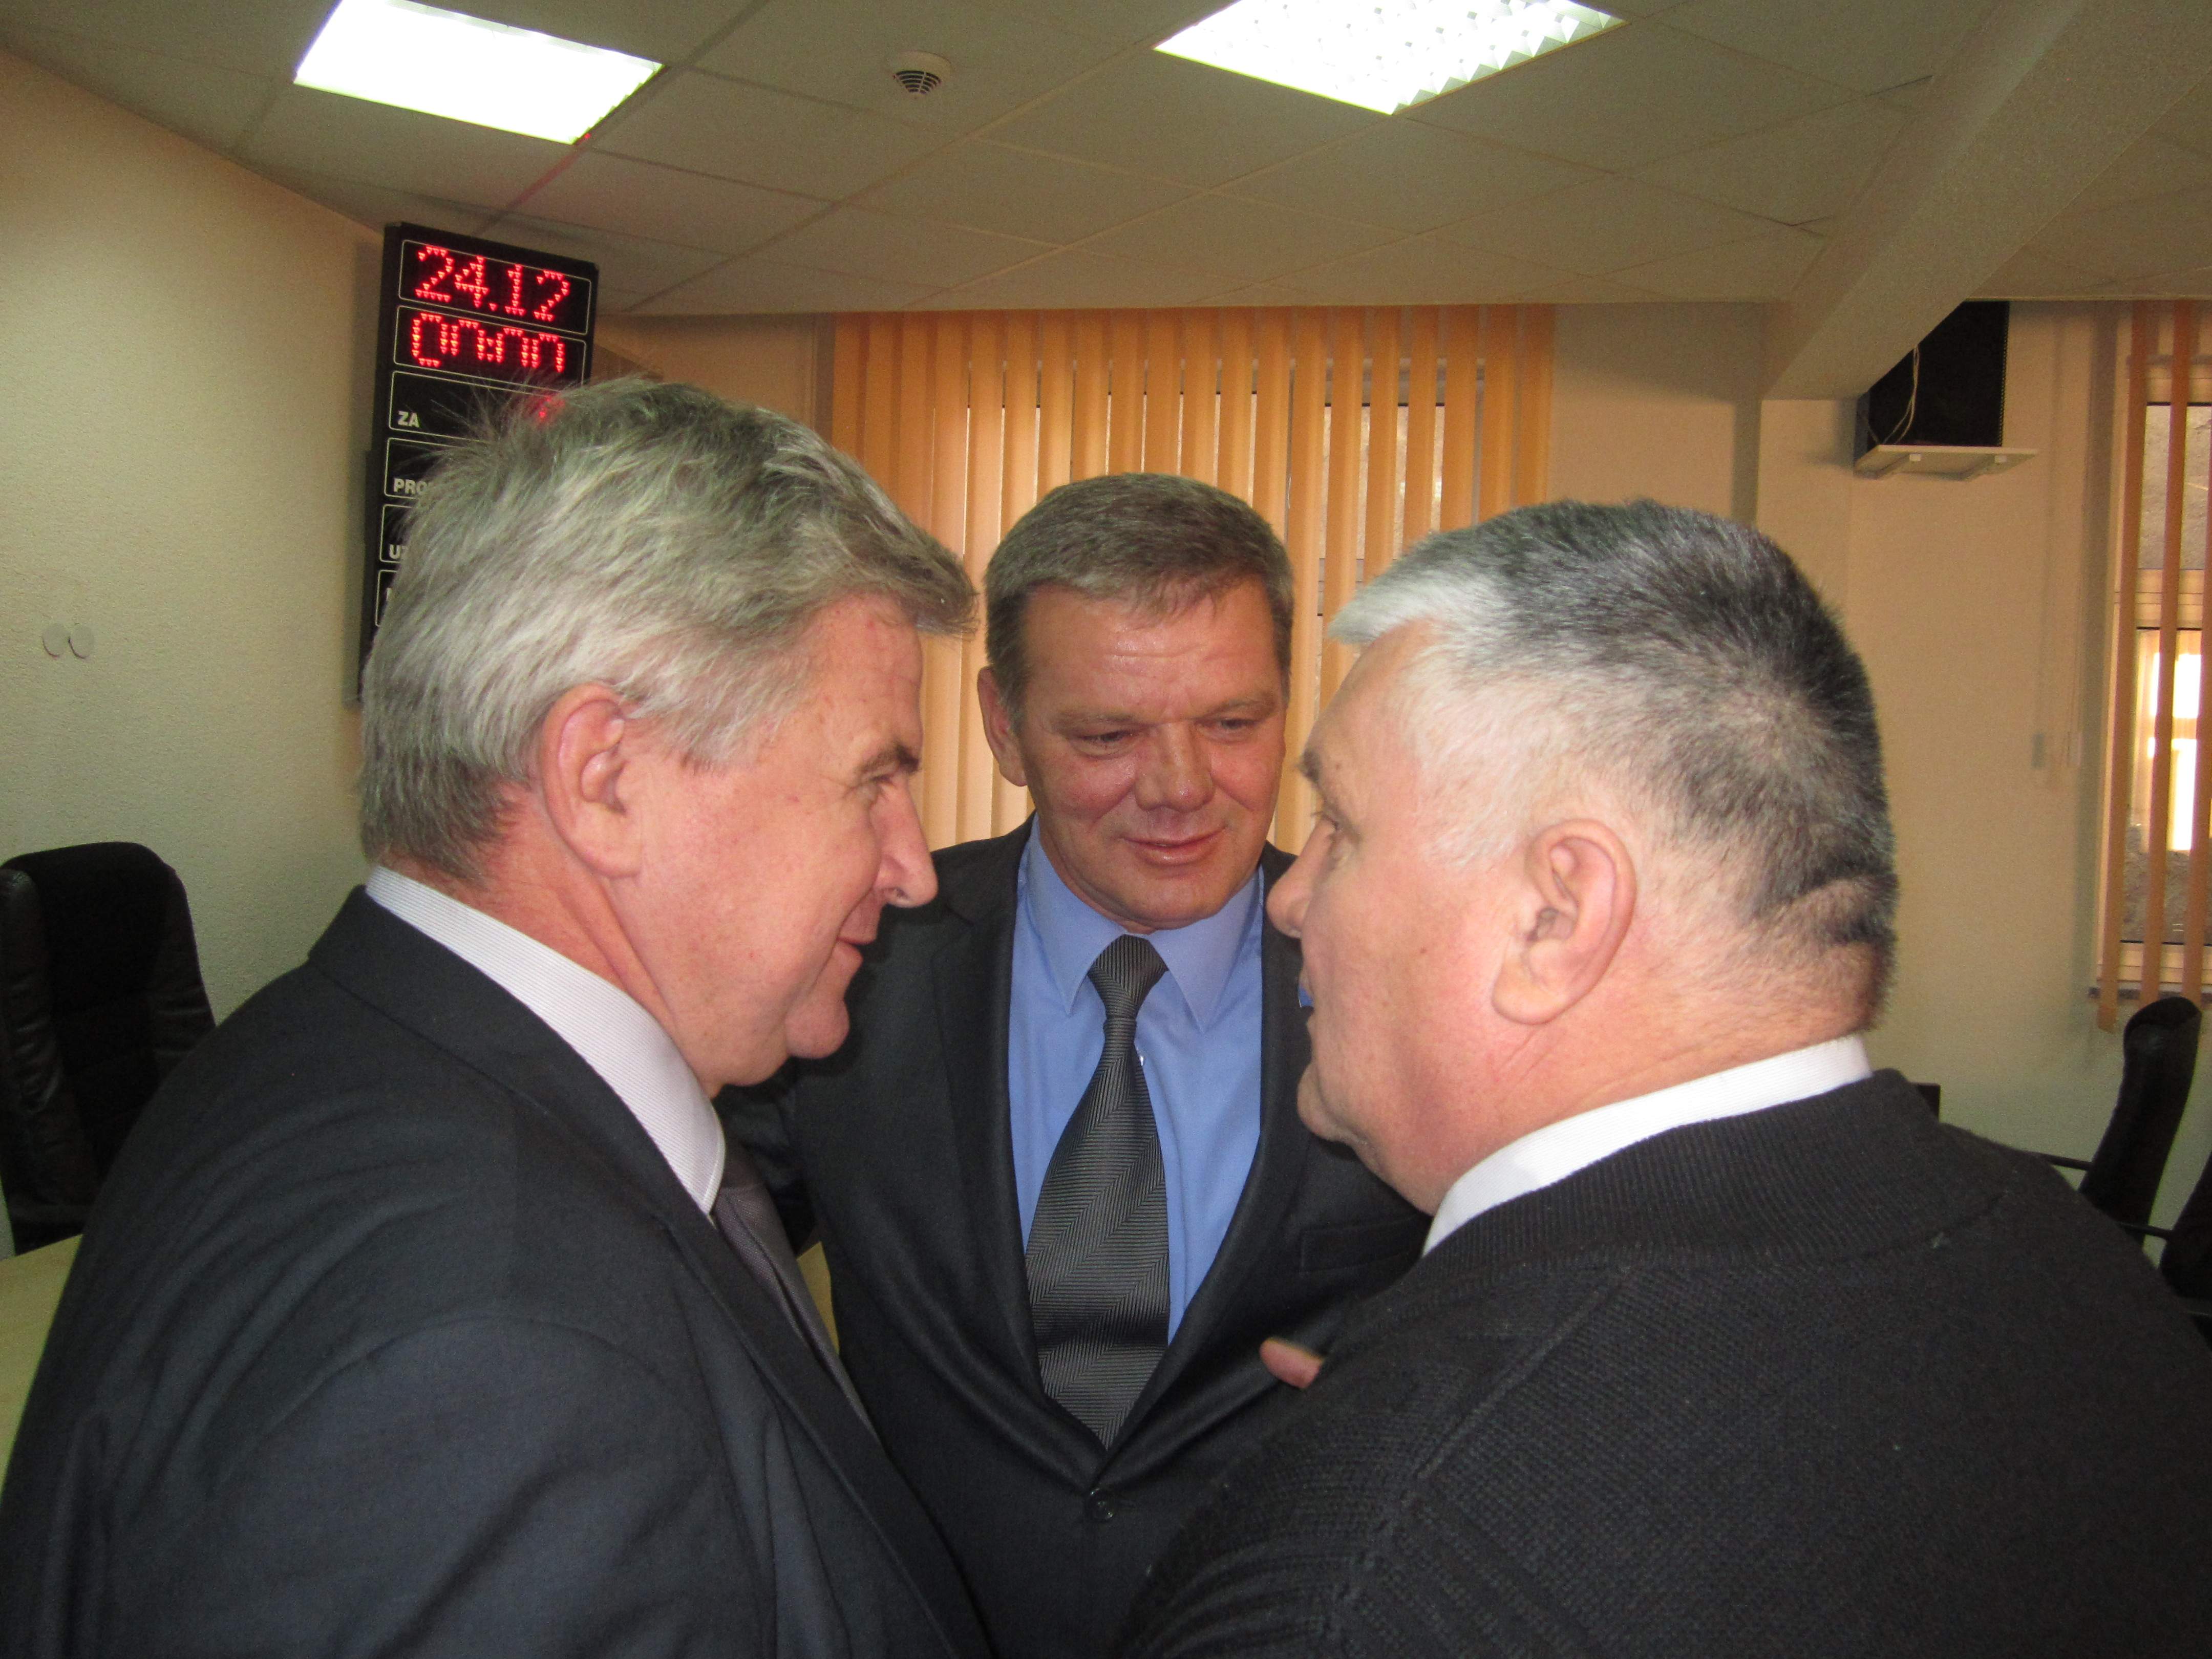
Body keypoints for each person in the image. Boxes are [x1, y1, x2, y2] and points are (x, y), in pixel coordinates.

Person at [0, 381, 990, 1658]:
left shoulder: (329, 1046)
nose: (913, 869)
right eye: (874, 780)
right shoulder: (493, 1357)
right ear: (605, 778)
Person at [1124, 500, 2212, 1657]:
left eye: (1342, 825)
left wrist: (1398, 1486)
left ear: (1556, 917)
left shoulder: (1347, 1592)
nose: (1293, 899)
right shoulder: (2076, 1268)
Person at [724, 474, 1425, 1658]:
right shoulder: (859, 958)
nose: (1182, 787)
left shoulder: (1407, 974)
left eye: (1233, 723)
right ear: (1004, 726)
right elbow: (694, 1252)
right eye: (1108, 735)